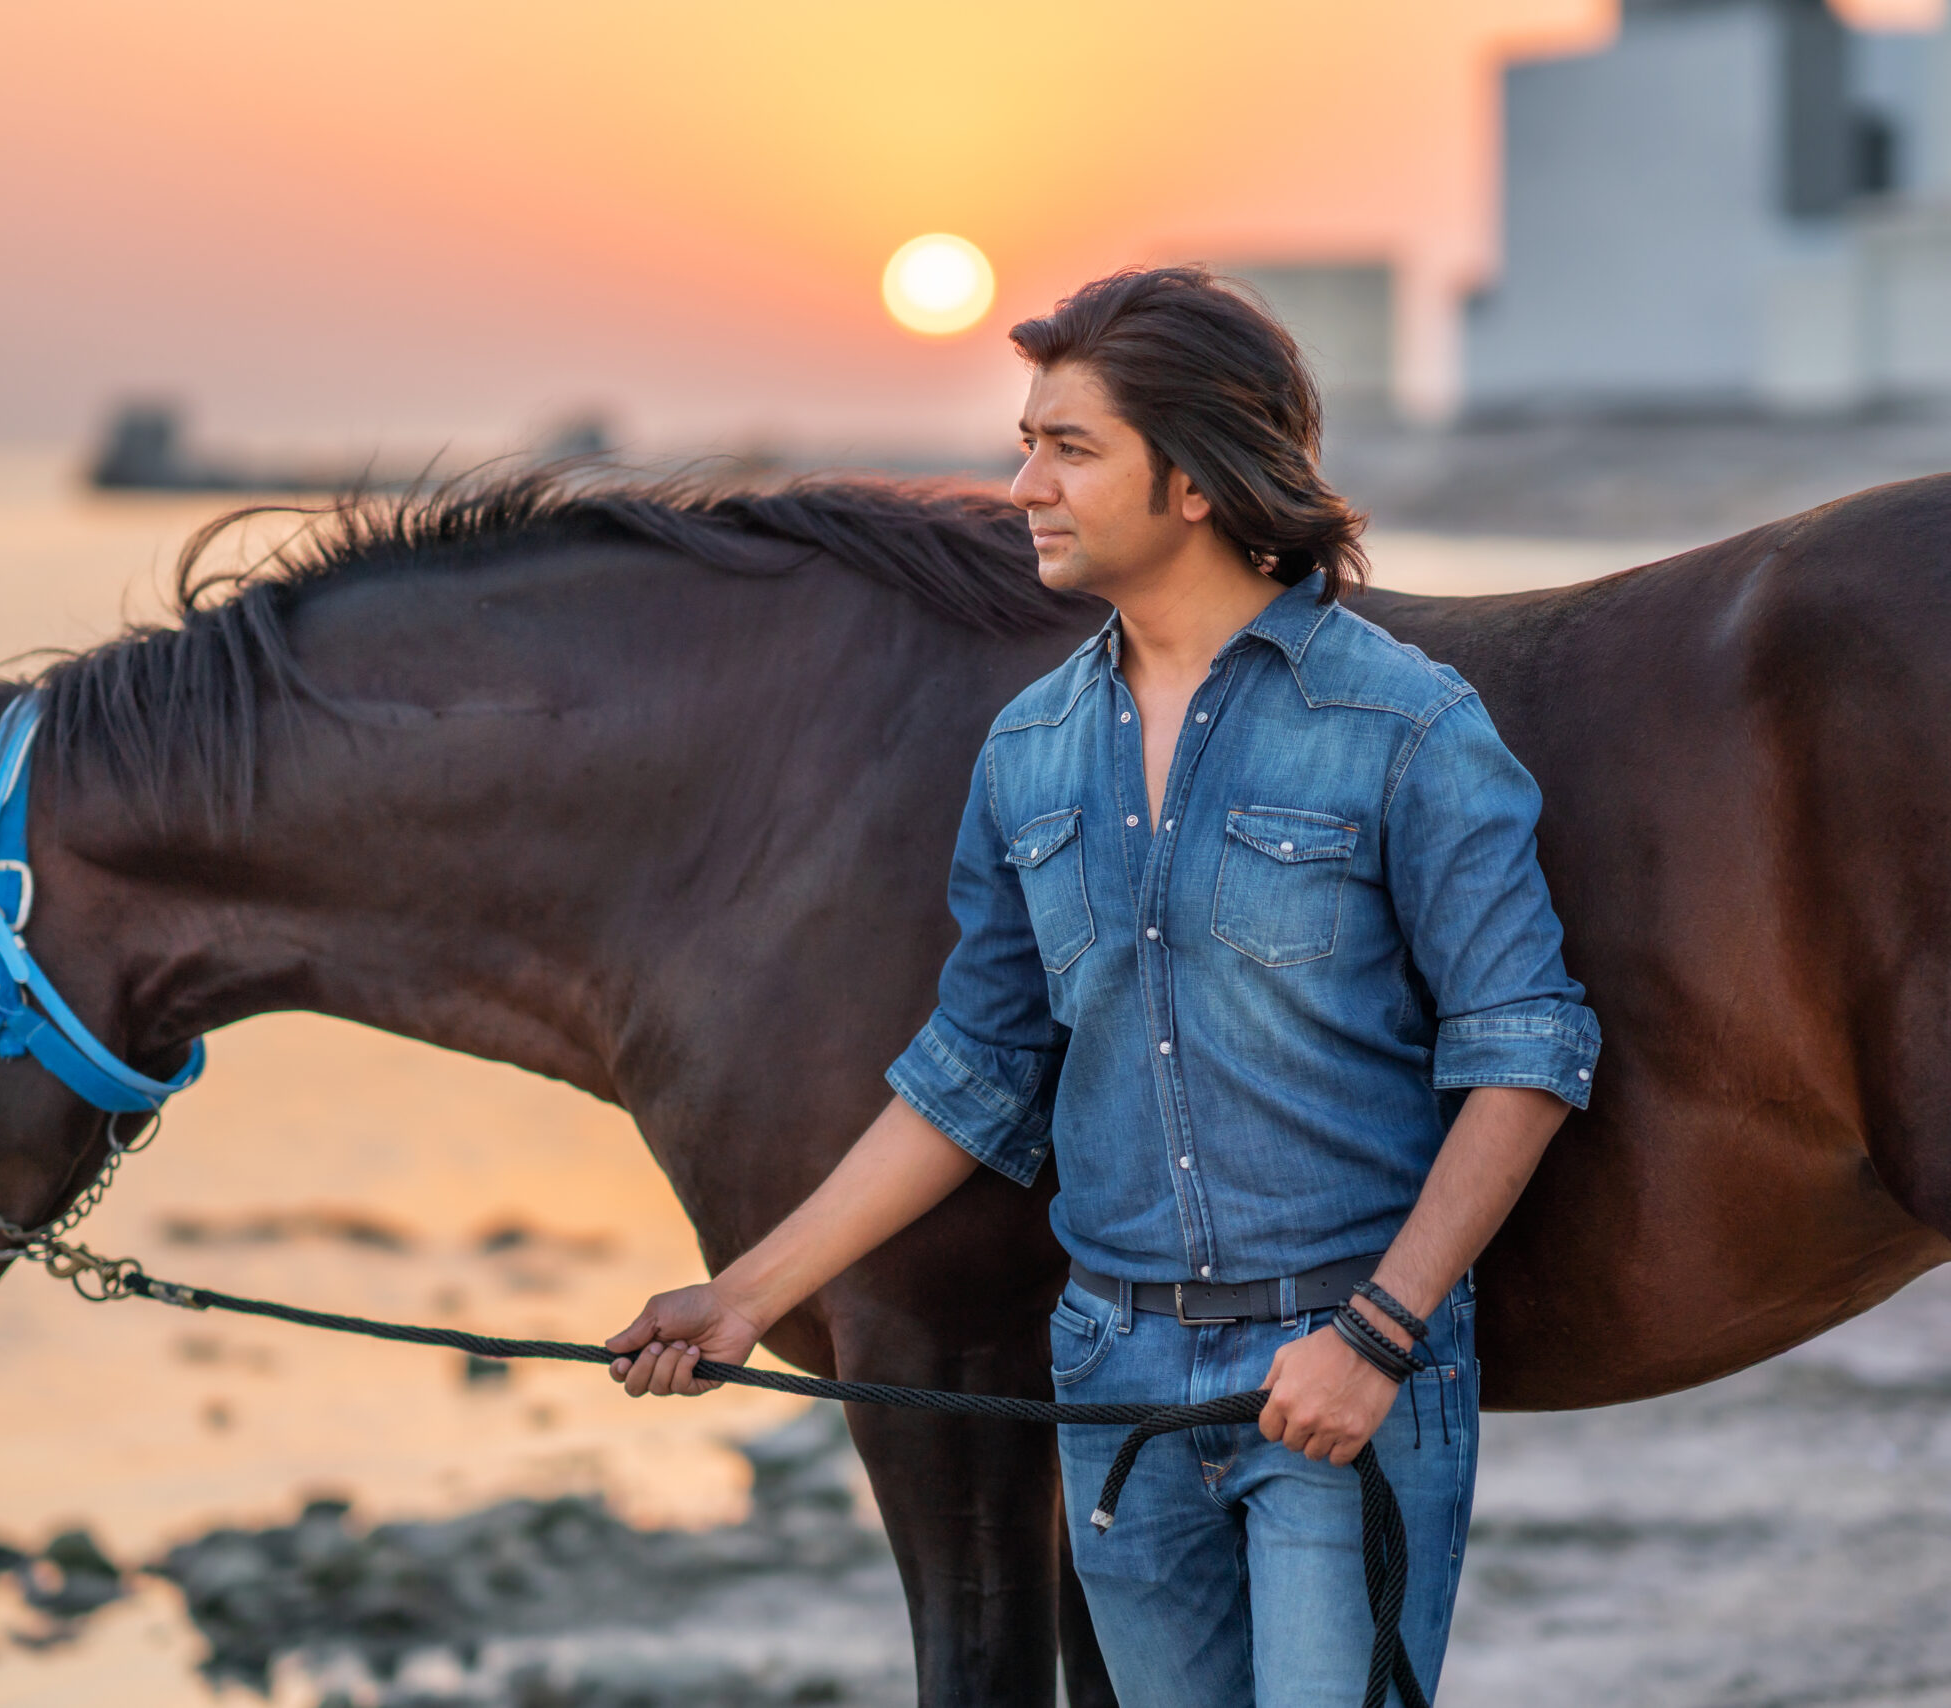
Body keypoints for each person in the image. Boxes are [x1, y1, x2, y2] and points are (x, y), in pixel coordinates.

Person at [605, 266, 1599, 1706]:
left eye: (1069, 448)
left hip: (1335, 1379)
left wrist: (1378, 1338)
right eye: (1027, 443)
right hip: (1116, 1378)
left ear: (1193, 480)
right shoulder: (1028, 751)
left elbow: (1525, 1054)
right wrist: (744, 1296)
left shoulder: (1404, 724)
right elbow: (975, 1072)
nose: (1022, 486)